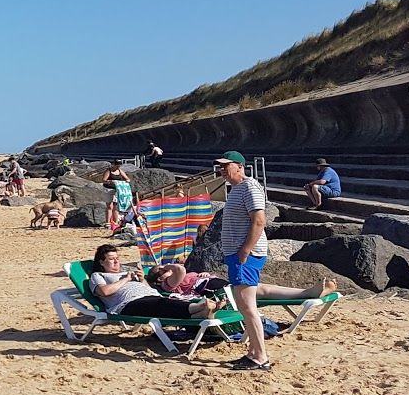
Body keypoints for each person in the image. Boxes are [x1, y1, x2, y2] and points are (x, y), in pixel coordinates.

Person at [217, 150, 270, 372]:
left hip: (246, 255)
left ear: (239, 166)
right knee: (242, 305)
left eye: (226, 165)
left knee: (248, 306)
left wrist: (245, 251)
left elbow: (259, 221)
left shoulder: (249, 187)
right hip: (237, 254)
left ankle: (260, 357)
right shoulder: (237, 189)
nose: (222, 170)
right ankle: (253, 352)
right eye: (220, 166)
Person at [87, 243, 226, 321]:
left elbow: (148, 289)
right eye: (111, 259)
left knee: (164, 302)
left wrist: (142, 280)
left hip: (149, 296)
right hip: (127, 304)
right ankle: (201, 308)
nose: (116, 261)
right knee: (161, 304)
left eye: (117, 258)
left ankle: (201, 312)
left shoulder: (125, 272)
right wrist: (126, 279)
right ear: (101, 262)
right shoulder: (98, 275)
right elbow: (104, 292)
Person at [151, 262, 337, 303]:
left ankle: (306, 292)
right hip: (214, 291)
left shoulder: (171, 279)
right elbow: (180, 270)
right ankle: (306, 293)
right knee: (262, 290)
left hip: (214, 285)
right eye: (163, 269)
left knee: (262, 289)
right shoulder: (168, 283)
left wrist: (202, 274)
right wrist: (168, 266)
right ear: (160, 277)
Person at [102, 161, 134, 233]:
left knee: (116, 206)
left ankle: (115, 222)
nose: (118, 167)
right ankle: (108, 223)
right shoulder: (109, 171)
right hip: (109, 189)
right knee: (109, 206)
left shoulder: (120, 171)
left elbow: (127, 178)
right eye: (117, 165)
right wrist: (110, 181)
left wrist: (127, 181)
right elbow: (104, 180)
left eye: (119, 165)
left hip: (117, 190)